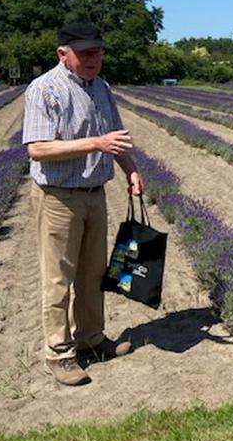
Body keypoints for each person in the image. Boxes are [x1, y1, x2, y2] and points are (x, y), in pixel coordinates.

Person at [22, 23, 144, 386]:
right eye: (86, 53)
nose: (94, 58)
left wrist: (131, 171)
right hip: (58, 197)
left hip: (95, 194)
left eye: (98, 52)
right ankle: (59, 353)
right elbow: (37, 149)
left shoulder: (101, 88)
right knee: (59, 279)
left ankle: (91, 337)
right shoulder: (45, 89)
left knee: (93, 274)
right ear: (63, 54)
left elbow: (115, 138)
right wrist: (95, 144)